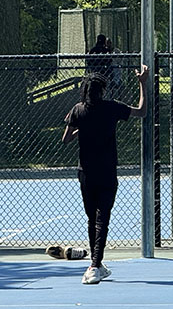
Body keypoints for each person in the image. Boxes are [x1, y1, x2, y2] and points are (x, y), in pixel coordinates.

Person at [63, 66, 148, 284]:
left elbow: (66, 139)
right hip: (107, 172)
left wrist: (80, 126)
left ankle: (96, 263)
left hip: (86, 173)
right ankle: (94, 264)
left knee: (92, 219)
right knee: (103, 219)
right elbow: (141, 111)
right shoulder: (112, 108)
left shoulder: (78, 110)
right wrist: (142, 83)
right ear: (102, 91)